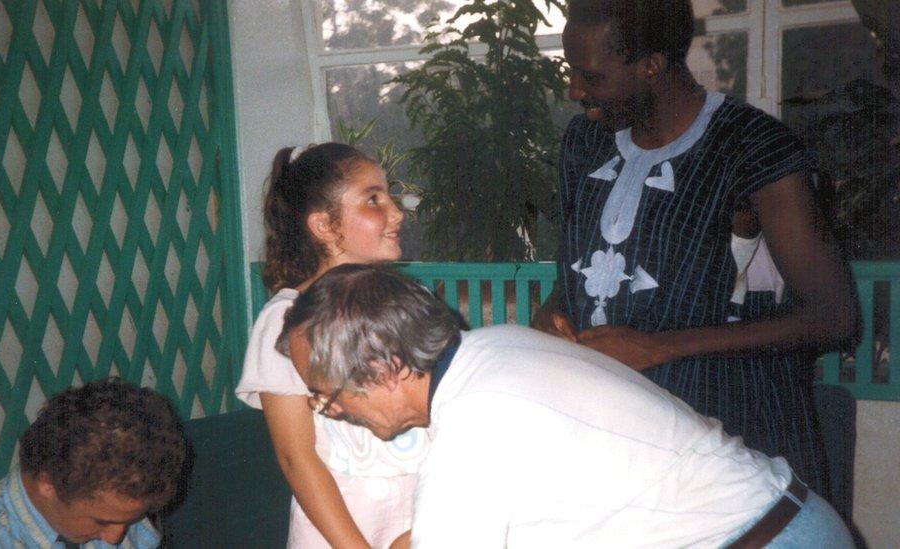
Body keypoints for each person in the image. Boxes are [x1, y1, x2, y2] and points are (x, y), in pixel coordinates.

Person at [277, 263, 855, 548]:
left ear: (382, 370)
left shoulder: (471, 436)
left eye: (328, 396)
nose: (330, 412)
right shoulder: (500, 345)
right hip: (792, 522)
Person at [532, 0, 860, 499]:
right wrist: (553, 317)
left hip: (734, 444)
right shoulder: (585, 142)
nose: (575, 91)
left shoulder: (753, 148)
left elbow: (834, 317)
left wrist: (660, 347)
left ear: (651, 66)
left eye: (590, 76)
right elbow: (585, 268)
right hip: (618, 432)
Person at [235, 143, 428, 548]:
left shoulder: (409, 304)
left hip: (422, 513)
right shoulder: (286, 321)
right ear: (324, 226)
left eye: (389, 197)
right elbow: (297, 458)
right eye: (373, 199)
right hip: (342, 527)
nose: (395, 213)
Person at [0, 378, 187, 548]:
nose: (115, 537)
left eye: (133, 519)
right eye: (101, 522)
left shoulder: (119, 513)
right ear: (49, 482)